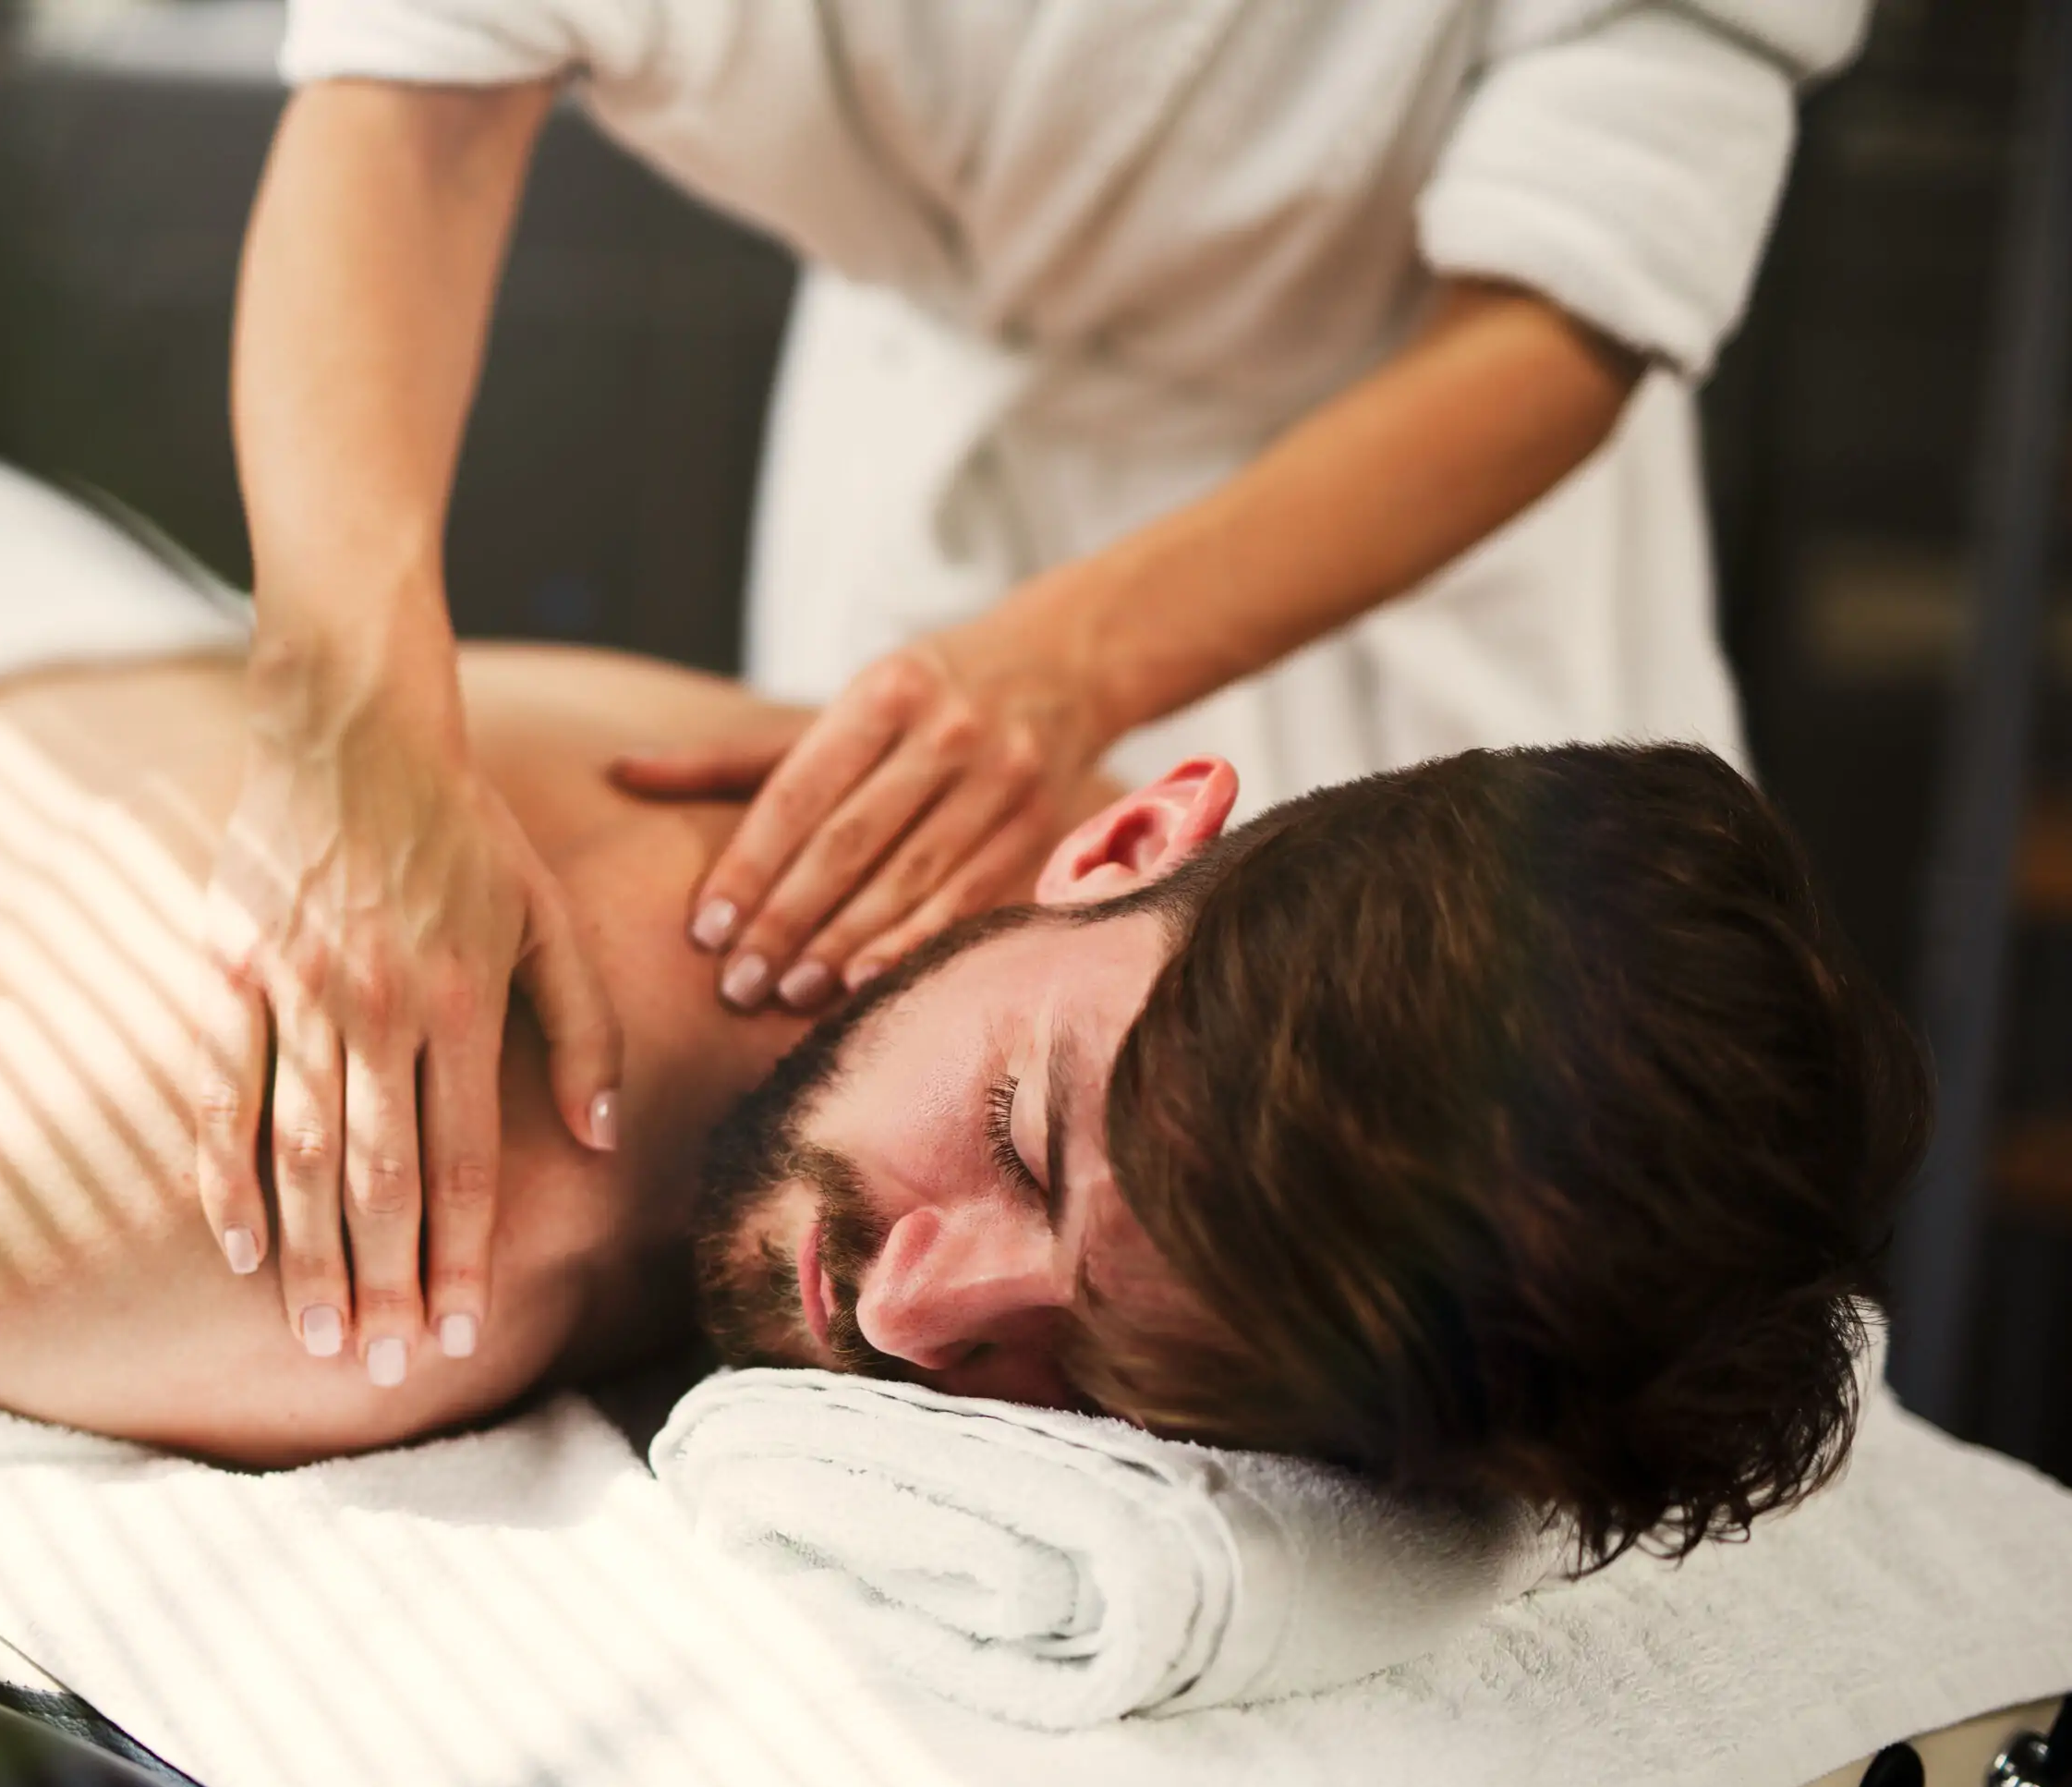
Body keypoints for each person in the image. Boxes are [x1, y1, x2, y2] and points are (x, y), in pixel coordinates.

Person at [0, 424, 1922, 1568]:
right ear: (1131, 826)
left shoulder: (945, 863)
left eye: (1091, 1379)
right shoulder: (353, 1206)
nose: (904, 1310)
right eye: (1015, 1143)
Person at [209, 0, 1875, 1369]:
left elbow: (1568, 311)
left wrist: (1071, 662)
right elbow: (413, 102)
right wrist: (354, 707)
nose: (902, 1309)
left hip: (1407, 525)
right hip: (937, 419)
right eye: (1010, 1125)